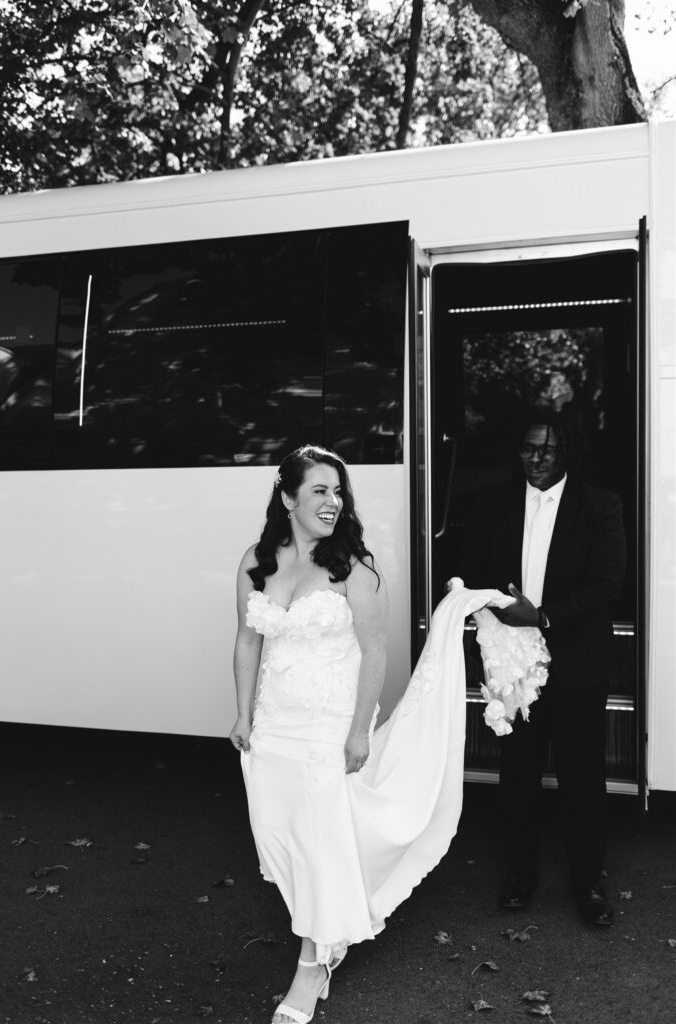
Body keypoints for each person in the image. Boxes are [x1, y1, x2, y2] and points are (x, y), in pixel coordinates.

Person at [230, 444, 513, 1024]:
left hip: (327, 729)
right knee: (283, 838)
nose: (333, 502)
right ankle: (323, 932)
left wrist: (360, 731)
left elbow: (375, 652)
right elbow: (247, 640)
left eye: (339, 492)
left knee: (319, 842)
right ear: (287, 498)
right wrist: (242, 714)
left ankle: (311, 964)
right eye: (320, 491)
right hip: (273, 726)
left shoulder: (353, 569)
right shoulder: (255, 562)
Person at [460, 406, 627, 926]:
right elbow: (471, 571)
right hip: (514, 664)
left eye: (547, 449)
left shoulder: (600, 505)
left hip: (576, 662)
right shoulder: (493, 505)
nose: (536, 457)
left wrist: (545, 616)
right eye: (529, 448)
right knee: (518, 773)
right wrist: (483, 608)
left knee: (582, 777)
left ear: (566, 451)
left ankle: (588, 883)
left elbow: (608, 584)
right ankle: (519, 873)